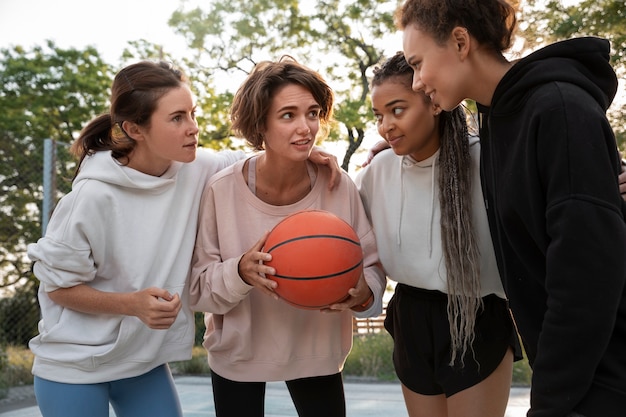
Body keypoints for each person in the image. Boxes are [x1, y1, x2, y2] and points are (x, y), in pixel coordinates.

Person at [26, 60, 341, 417]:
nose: (193, 128)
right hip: (74, 366)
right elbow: (57, 289)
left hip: (141, 363)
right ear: (135, 129)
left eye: (192, 113)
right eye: (177, 118)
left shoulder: (196, 167)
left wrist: (304, 151)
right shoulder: (91, 198)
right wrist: (132, 304)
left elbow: (260, 159)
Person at [395, 1, 626, 416]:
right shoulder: (499, 120)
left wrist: (550, 403)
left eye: (417, 63)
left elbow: (585, 281)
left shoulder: (559, 108)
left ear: (461, 41)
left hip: (606, 379)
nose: (415, 82)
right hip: (577, 378)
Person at [189, 56, 386, 417]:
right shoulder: (222, 190)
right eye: (288, 115)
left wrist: (362, 292)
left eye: (312, 113)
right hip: (239, 356)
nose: (305, 128)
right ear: (260, 124)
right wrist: (240, 272)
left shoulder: (336, 184)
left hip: (316, 353)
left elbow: (371, 267)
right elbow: (199, 288)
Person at [356, 51, 518, 417]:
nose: (386, 126)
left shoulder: (489, 160)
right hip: (411, 316)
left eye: (397, 110)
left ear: (433, 102)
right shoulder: (377, 171)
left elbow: (554, 190)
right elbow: (339, 222)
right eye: (379, 116)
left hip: (476, 318)